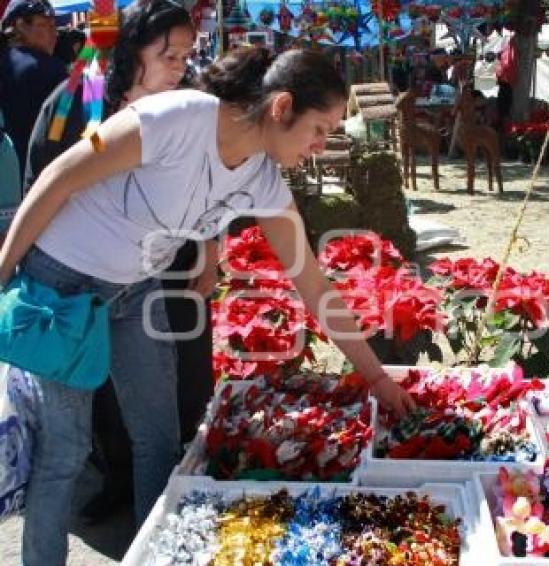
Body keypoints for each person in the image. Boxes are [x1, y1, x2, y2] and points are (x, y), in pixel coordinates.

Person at [0, 46, 416, 564]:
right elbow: (57, 176)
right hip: (63, 281)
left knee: (161, 437)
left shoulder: (263, 180)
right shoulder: (173, 117)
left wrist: (376, 378)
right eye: (320, 129)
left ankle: (156, 554)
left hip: (133, 289)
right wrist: (2, 271)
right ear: (282, 106)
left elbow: (313, 285)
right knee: (65, 450)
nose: (321, 145)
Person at [23, 0, 198, 525]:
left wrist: (207, 248)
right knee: (78, 429)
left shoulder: (184, 104)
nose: (180, 66)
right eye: (168, 54)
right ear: (131, 49)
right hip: (75, 280)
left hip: (151, 277)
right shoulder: (86, 97)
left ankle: (151, 525)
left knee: (158, 419)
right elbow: (53, 173)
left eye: (184, 56)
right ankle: (114, 481)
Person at [0, 0, 66, 182]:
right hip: (39, 181)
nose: (55, 33)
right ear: (20, 27)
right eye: (44, 25)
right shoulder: (52, 70)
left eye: (55, 25)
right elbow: (64, 131)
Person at [495, 36, 517, 130]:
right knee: (504, 107)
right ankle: (503, 124)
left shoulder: (503, 60)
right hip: (505, 85)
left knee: (504, 107)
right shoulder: (503, 61)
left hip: (505, 85)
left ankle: (503, 124)